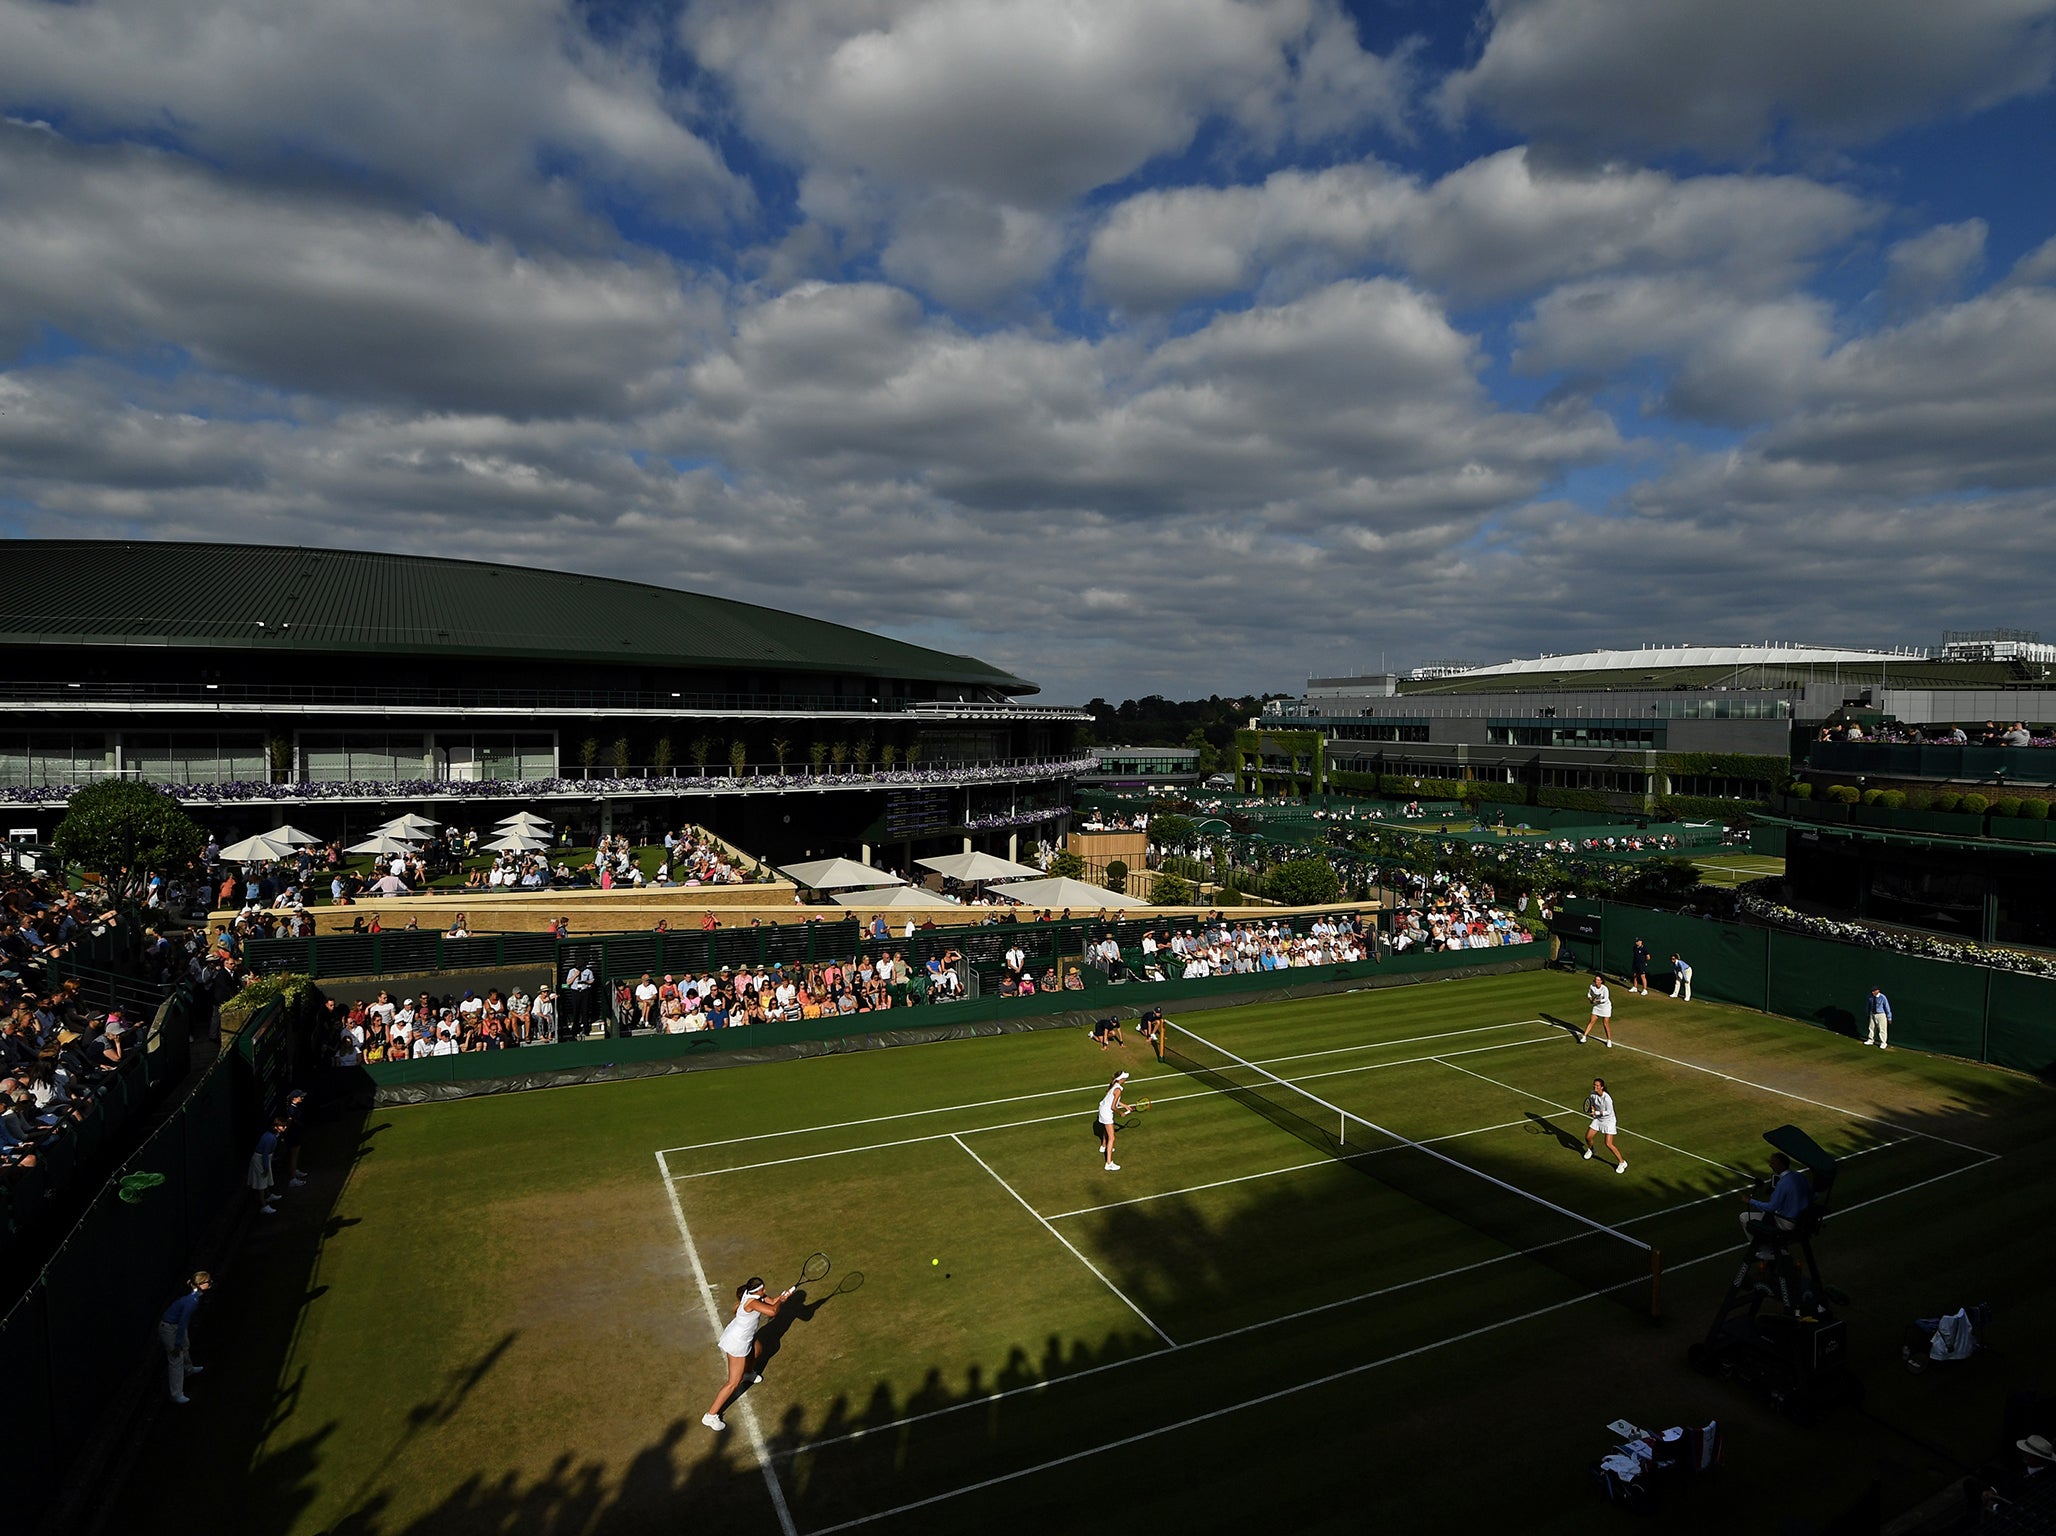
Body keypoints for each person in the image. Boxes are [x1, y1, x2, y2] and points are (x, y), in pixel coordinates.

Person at [702, 1277, 793, 1432]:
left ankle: (748, 1374)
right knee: (733, 1382)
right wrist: (780, 1302)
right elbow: (773, 1311)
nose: (764, 1292)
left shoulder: (755, 1296)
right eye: (762, 1290)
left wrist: (783, 1296)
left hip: (745, 1336)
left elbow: (771, 1302)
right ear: (755, 1291)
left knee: (757, 1350)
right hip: (737, 1342)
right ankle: (710, 1416)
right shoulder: (751, 1302)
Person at [159, 1271, 213, 1404]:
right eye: (208, 1282)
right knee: (176, 1359)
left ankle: (189, 1369)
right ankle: (176, 1394)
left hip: (175, 1326)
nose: (210, 1283)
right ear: (200, 1285)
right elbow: (183, 1322)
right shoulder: (192, 1301)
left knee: (185, 1345)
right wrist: (177, 1343)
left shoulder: (194, 1297)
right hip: (169, 1328)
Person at [1741, 1151, 1810, 1241]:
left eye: (1773, 1163)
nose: (1770, 1165)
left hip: (1788, 1222)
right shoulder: (1799, 1176)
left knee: (1744, 1217)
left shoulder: (1782, 1183)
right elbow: (1813, 1195)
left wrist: (1750, 1201)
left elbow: (1771, 1207)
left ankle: (1763, 1250)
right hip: (1802, 1219)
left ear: (1782, 1165)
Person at [1583, 1078, 1626, 1173]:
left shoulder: (1607, 1099)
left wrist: (1596, 1113)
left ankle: (1622, 1162)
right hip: (1598, 1119)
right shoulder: (1592, 1094)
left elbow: (1609, 1112)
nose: (1595, 1087)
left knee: (1608, 1144)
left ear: (1602, 1087)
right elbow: (1592, 1103)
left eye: (1597, 1086)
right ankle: (1591, 1149)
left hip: (1609, 1121)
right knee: (1588, 1137)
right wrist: (1593, 1109)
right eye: (1594, 1085)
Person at [1095, 1069, 1132, 1172]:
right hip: (1107, 1112)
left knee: (1107, 1129)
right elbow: (1113, 1106)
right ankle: (1109, 1163)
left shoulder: (1114, 1085)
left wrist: (1125, 1106)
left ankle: (1103, 1146)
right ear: (1122, 1079)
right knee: (1112, 1138)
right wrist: (1121, 1113)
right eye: (1125, 1078)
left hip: (1102, 1110)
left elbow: (1114, 1100)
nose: (1126, 1080)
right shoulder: (1118, 1089)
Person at [1581, 976, 1614, 1047]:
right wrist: (1590, 999)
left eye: (1598, 980)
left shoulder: (1605, 988)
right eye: (1596, 979)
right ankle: (1584, 1036)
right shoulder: (1592, 986)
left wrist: (1597, 1000)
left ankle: (1609, 1040)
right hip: (1597, 1007)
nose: (1596, 981)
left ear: (1601, 981)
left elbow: (1606, 999)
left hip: (1606, 1007)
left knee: (1605, 1024)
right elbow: (1589, 994)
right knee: (1591, 1021)